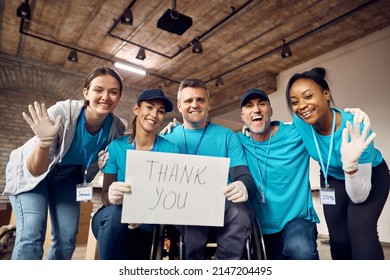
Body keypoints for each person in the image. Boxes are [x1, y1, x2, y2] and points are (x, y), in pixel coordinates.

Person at [3, 66, 127, 260]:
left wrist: (166, 132)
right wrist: (44, 144)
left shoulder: (116, 127)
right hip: (32, 169)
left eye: (113, 92)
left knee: (67, 239)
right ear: (86, 92)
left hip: (69, 175)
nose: (106, 97)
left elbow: (136, 140)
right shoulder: (62, 113)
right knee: (32, 234)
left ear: (119, 97)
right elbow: (36, 170)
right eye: (98, 90)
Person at [285, 67, 390, 260]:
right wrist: (253, 130)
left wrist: (350, 166)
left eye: (308, 97)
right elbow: (282, 129)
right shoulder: (301, 122)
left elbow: (359, 196)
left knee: (360, 229)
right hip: (332, 176)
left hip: (369, 175)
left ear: (326, 94)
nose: (302, 106)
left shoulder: (354, 128)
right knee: (339, 239)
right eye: (295, 102)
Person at [161, 78, 255, 260]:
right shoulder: (167, 139)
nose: (194, 105)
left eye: (200, 100)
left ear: (209, 104)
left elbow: (242, 173)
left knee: (242, 213)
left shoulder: (228, 136)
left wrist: (243, 184)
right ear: (179, 106)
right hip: (183, 209)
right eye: (188, 101)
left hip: (224, 207)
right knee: (194, 217)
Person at [91, 89, 178, 260]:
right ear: (137, 109)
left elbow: (170, 199)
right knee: (116, 214)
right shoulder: (117, 147)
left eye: (160, 111)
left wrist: (144, 213)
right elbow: (105, 195)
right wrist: (114, 198)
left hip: (147, 228)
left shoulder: (170, 150)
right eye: (149, 107)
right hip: (113, 222)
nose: (154, 114)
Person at [238, 88, 320, 260]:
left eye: (262, 104)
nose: (256, 110)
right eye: (249, 106)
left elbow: (322, 118)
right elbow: (207, 141)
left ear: (271, 111)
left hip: (296, 220)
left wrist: (346, 115)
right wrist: (175, 132)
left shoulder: (296, 133)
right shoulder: (237, 142)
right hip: (257, 225)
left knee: (301, 249)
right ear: (243, 116)